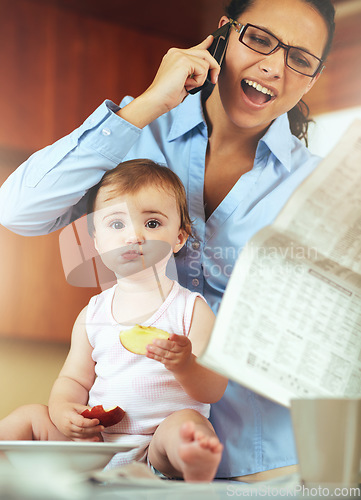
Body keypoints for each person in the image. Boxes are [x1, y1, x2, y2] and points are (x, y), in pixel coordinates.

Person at [0, 0, 336, 482]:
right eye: (260, 39)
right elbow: (18, 211)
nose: (274, 67)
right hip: (116, 452)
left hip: (262, 459)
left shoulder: (322, 190)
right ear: (223, 34)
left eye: (300, 59)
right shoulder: (134, 135)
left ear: (313, 77)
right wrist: (151, 102)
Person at [0, 159, 227, 482]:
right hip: (93, 449)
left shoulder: (191, 309)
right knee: (31, 416)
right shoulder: (92, 314)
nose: (133, 236)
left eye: (151, 224)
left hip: (155, 449)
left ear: (178, 238)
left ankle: (193, 458)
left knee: (188, 424)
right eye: (116, 224)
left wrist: (185, 364)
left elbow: (214, 387)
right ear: (97, 241)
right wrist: (65, 413)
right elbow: (73, 381)